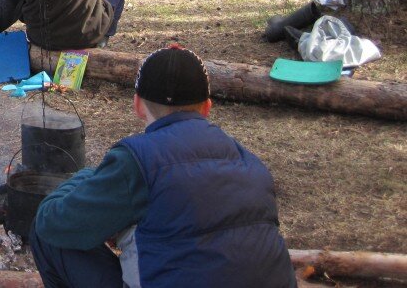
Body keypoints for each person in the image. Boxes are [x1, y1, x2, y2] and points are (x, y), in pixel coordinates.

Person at [30, 45, 297, 288]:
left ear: (137, 105)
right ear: (207, 107)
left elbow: (53, 221)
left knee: (47, 236)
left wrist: (87, 177)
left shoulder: (138, 159)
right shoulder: (251, 162)